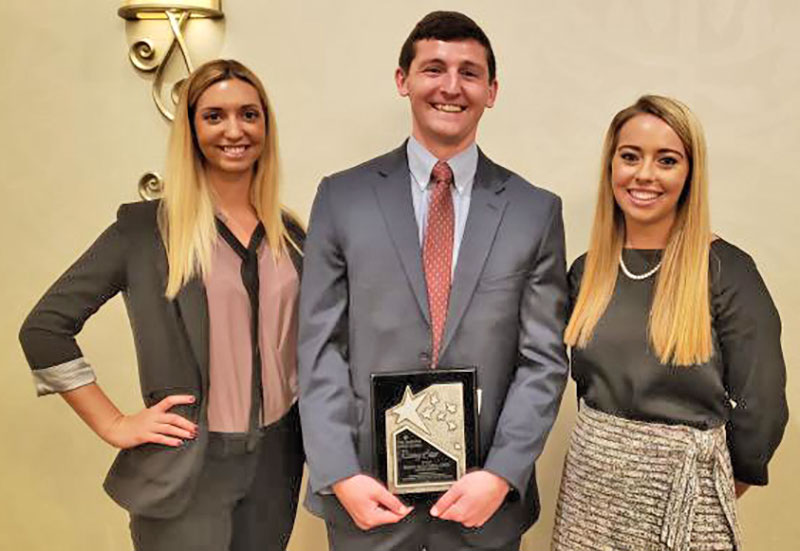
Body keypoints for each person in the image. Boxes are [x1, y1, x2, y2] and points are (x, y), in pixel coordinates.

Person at [298, 10, 569, 551]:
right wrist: (341, 473)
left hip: (483, 502)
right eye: (434, 68)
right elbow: (318, 346)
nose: (451, 86)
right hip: (367, 497)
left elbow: (543, 360)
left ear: (491, 90)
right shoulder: (341, 197)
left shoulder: (534, 211)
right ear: (403, 81)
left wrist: (501, 473)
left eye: (469, 73)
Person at [19, 59, 305, 551]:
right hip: (187, 472)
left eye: (249, 114)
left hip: (275, 464)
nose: (234, 130)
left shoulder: (292, 234)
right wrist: (114, 423)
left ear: (266, 126)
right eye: (214, 116)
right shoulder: (144, 232)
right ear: (191, 129)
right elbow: (43, 329)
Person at [553, 95, 788, 551]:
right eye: (630, 157)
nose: (644, 174)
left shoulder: (725, 270)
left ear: (690, 174)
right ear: (610, 167)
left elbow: (763, 404)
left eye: (667, 160)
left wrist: (711, 485)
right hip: (591, 496)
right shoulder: (587, 272)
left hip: (683, 500)